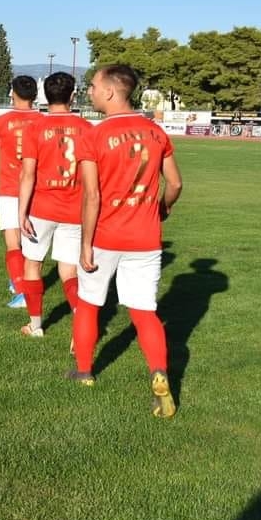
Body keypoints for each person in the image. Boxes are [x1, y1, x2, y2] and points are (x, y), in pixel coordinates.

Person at [71, 65, 183, 419]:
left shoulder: (94, 134)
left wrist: (85, 242)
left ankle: (84, 371)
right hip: (146, 237)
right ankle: (158, 373)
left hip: (105, 234)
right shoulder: (155, 131)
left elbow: (92, 195)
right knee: (144, 311)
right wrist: (161, 211)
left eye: (92, 86)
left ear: (109, 92)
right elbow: (176, 184)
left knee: (89, 303)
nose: (89, 92)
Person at [17, 72, 91, 337]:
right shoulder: (87, 129)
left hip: (41, 209)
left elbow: (28, 174)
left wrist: (21, 212)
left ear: (45, 98)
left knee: (33, 263)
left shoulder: (34, 128)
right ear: (73, 96)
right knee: (69, 270)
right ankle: (80, 323)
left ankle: (35, 325)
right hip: (74, 209)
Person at [0, 75, 43, 308]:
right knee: (31, 243)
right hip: (38, 190)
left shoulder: (1, 121)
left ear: (12, 93)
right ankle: (22, 282)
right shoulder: (44, 122)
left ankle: (22, 290)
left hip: (10, 189)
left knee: (13, 243)